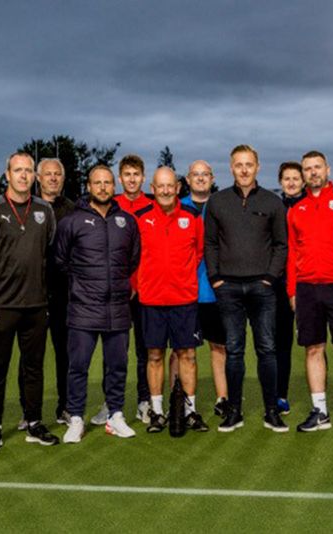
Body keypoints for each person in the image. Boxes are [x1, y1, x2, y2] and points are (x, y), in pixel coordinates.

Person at [0, 152, 59, 451]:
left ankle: (33, 421)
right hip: (2, 304)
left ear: (34, 176)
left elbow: (49, 252)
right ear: (6, 174)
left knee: (33, 367)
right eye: (17, 170)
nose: (23, 175)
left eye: (28, 170)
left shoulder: (45, 210)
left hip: (35, 304)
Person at [204, 144, 289, 433]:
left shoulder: (272, 202)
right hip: (228, 287)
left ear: (257, 166)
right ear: (231, 167)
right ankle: (234, 412)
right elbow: (211, 244)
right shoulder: (217, 202)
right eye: (238, 164)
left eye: (249, 164)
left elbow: (281, 245)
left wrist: (270, 278)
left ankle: (271, 412)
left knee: (267, 349)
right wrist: (216, 278)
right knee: (234, 350)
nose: (243, 169)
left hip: (262, 288)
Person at [55, 165, 140, 442]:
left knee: (117, 366)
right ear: (88, 186)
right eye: (97, 183)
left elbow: (133, 260)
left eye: (107, 182)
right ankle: (76, 418)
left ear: (113, 186)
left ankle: (115, 415)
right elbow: (60, 260)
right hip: (83, 307)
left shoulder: (127, 221)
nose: (103, 187)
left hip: (117, 307)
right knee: (77, 366)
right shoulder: (72, 221)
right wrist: (83, 284)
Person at [287, 151, 333, 433]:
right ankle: (320, 410)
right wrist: (292, 290)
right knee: (313, 348)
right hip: (307, 287)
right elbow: (293, 252)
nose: (312, 172)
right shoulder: (296, 209)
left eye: (317, 167)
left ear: (327, 169)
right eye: (307, 168)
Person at [135, 167, 209, 433]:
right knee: (154, 355)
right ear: (152, 189)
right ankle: (156, 412)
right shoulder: (141, 218)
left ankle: (190, 411)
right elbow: (134, 257)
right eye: (160, 186)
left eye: (170, 186)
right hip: (152, 300)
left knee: (187, 355)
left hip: (184, 300)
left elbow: (198, 253)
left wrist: (181, 277)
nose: (166, 191)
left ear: (178, 188)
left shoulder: (192, 216)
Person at [92, 154, 155, 427]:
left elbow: (149, 253)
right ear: (120, 178)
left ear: (143, 178)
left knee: (146, 350)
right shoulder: (110, 204)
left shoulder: (152, 205)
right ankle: (111, 402)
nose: (131, 179)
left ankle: (144, 401)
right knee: (114, 351)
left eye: (136, 174)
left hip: (145, 292)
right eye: (127, 174)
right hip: (115, 292)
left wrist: (137, 285)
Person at [16, 158, 75, 430]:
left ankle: (65, 406)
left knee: (65, 354)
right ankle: (29, 411)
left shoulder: (74, 210)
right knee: (30, 356)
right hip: (32, 294)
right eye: (47, 174)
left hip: (65, 295)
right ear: (38, 178)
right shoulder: (26, 207)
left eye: (57, 174)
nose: (52, 178)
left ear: (63, 178)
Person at [181, 160, 230, 418]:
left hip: (216, 291)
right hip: (184, 292)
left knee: (219, 346)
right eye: (195, 175)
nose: (200, 178)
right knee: (182, 350)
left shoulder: (222, 206)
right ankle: (182, 400)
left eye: (205, 175)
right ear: (188, 179)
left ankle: (223, 398)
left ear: (212, 178)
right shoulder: (178, 207)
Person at [273, 161, 306, 415]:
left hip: (308, 283)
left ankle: (320, 399)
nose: (292, 182)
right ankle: (279, 394)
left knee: (314, 343)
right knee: (279, 343)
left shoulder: (310, 206)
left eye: (296, 178)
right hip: (279, 286)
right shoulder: (275, 207)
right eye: (287, 178)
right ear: (281, 182)